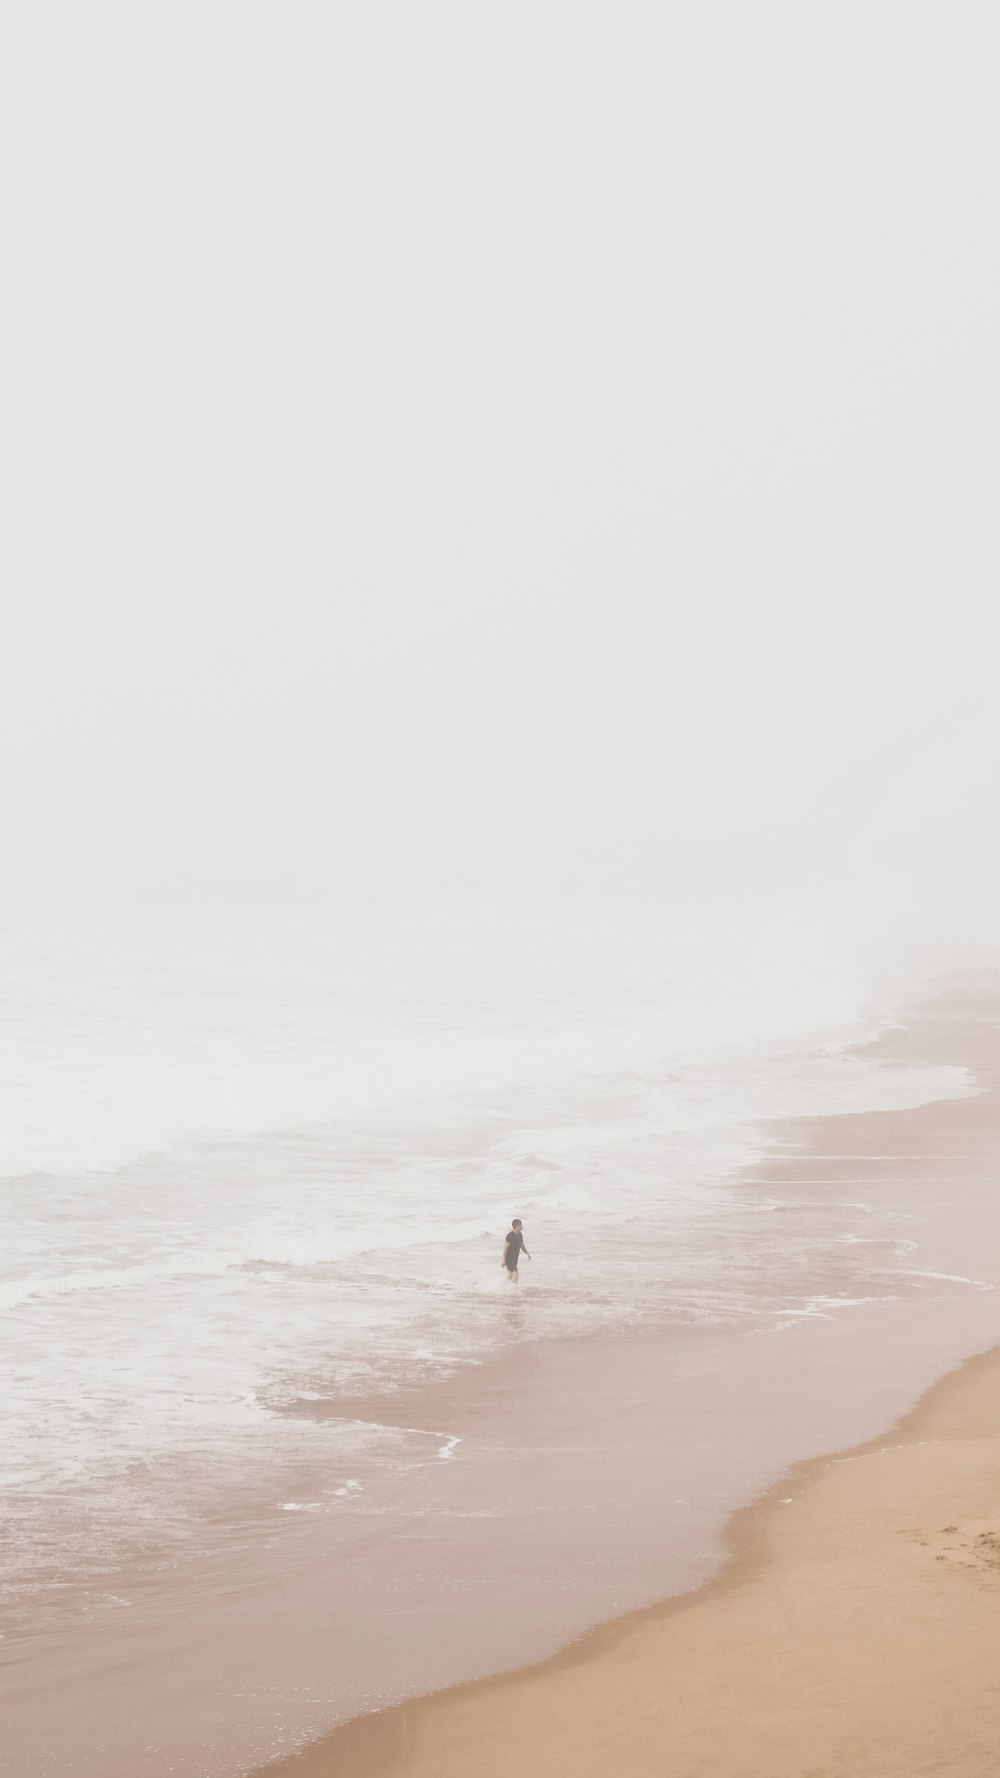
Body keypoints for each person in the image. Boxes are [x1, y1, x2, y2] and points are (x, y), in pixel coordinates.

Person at [502, 1218, 531, 1283]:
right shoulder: (510, 1236)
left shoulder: (520, 1235)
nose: (522, 1227)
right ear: (517, 1226)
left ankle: (504, 1287)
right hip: (509, 1258)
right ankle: (514, 1289)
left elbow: (521, 1245)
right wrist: (503, 1260)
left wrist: (527, 1253)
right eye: (521, 1225)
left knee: (510, 1275)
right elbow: (505, 1248)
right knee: (516, 1274)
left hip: (515, 1258)